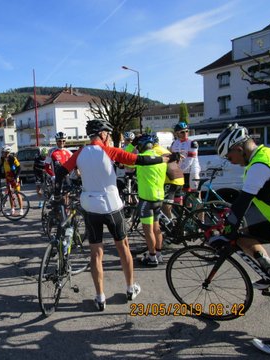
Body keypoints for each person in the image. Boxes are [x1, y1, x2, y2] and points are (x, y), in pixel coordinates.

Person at [54, 119, 170, 311]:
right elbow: (139, 160)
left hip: (90, 206)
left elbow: (60, 171)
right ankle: (130, 288)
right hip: (111, 206)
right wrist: (163, 159)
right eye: (108, 134)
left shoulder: (80, 152)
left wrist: (58, 194)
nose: (109, 137)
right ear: (103, 134)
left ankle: (100, 297)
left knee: (96, 253)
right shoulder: (109, 151)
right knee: (122, 246)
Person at [210, 123, 270, 289]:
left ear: (238, 148)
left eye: (229, 157)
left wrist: (227, 231)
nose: (231, 162)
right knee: (244, 234)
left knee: (237, 235)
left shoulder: (259, 166)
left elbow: (243, 201)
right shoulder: (266, 154)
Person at [132, 135, 167, 267]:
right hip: (159, 197)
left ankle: (152, 258)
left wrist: (131, 145)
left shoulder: (143, 160)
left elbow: (125, 161)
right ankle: (158, 254)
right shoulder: (160, 158)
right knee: (157, 228)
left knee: (148, 231)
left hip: (146, 199)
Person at [152, 136, 184, 220]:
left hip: (170, 179)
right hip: (180, 177)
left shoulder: (153, 151)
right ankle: (182, 222)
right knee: (177, 205)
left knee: (165, 206)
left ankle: (170, 225)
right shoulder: (163, 149)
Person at [170, 122, 200, 192]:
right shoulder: (174, 143)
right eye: (182, 132)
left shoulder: (192, 143)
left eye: (187, 131)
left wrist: (179, 170)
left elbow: (189, 160)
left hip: (192, 170)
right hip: (180, 170)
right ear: (177, 133)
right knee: (183, 192)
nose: (185, 133)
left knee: (194, 192)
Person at [0, 145, 24, 216]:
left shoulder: (13, 158)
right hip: (8, 178)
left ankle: (21, 209)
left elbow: (19, 168)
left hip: (14, 177)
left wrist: (16, 177)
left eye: (3, 152)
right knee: (10, 194)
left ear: (7, 152)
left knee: (18, 193)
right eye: (2, 152)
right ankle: (12, 210)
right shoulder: (2, 159)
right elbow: (0, 168)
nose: (2, 153)